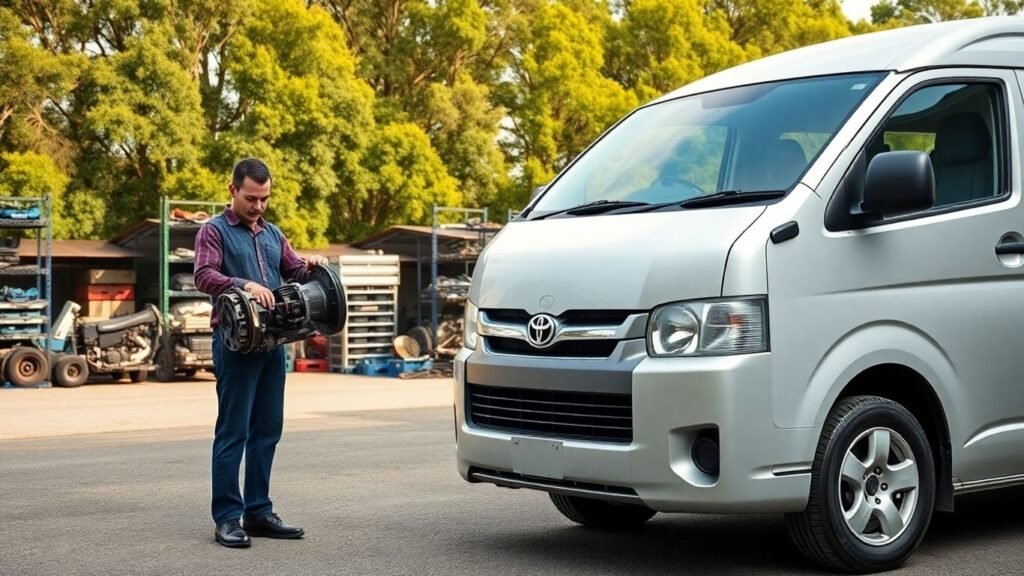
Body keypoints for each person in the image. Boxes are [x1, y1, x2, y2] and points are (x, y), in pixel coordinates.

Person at [194, 157, 328, 548]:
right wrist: (244, 284)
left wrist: (313, 265)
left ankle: (257, 511)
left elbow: (296, 273)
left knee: (267, 430)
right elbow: (204, 276)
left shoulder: (273, 234)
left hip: (273, 345)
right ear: (233, 190)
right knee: (233, 432)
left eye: (264, 199)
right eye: (251, 198)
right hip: (235, 346)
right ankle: (227, 518)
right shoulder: (213, 231)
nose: (258, 207)